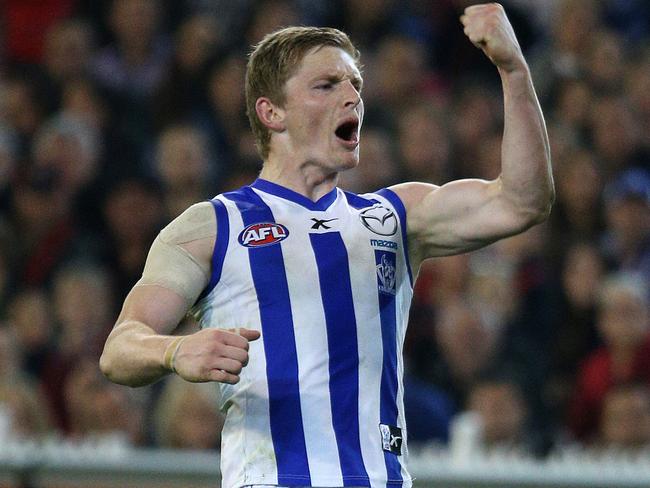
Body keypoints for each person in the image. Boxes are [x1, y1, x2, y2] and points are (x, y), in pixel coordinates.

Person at [100, 4, 553, 487]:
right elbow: (119, 349)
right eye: (327, 85)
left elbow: (522, 202)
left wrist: (513, 69)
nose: (352, 96)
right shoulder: (213, 226)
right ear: (271, 112)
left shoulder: (395, 217)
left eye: (355, 83)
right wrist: (175, 352)